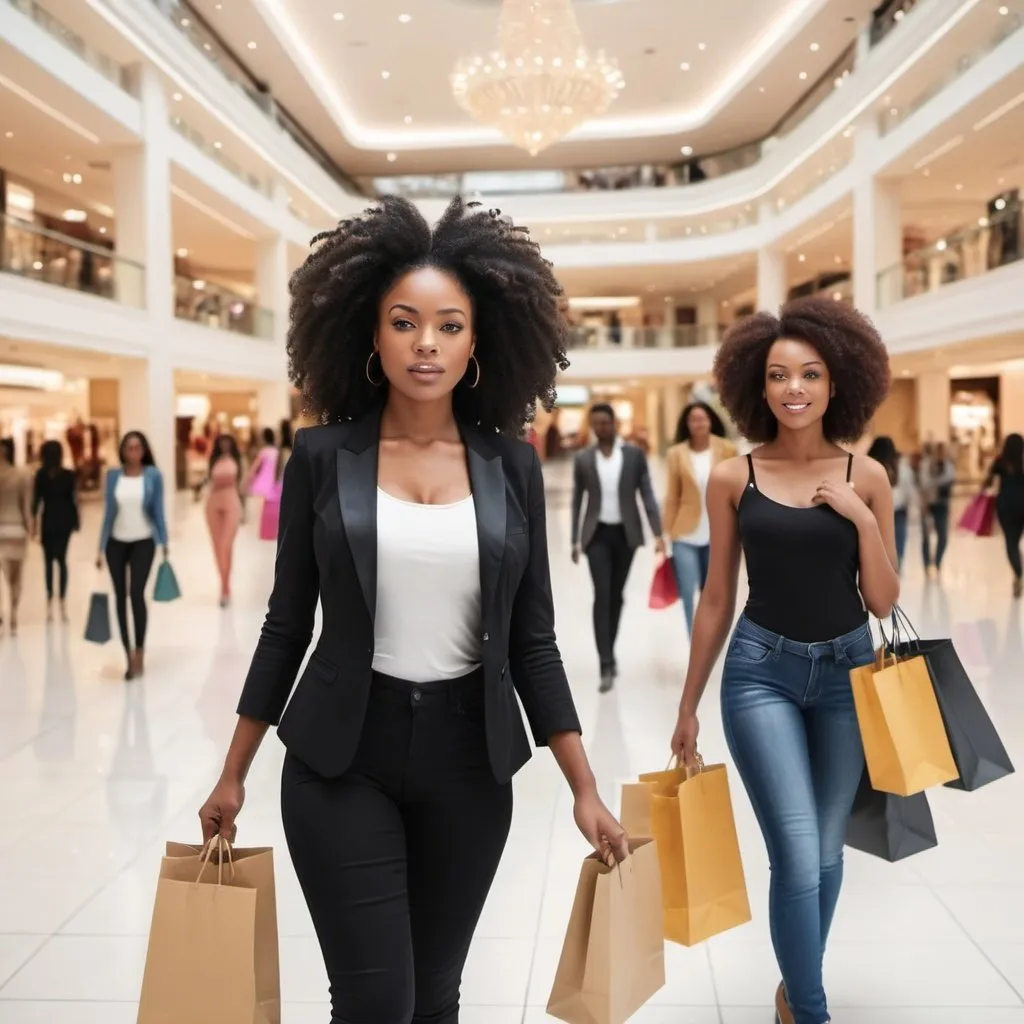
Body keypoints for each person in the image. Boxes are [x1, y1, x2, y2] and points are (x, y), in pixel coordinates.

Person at [197, 196, 628, 1024]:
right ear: (370, 333)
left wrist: (583, 787)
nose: (426, 343)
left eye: (449, 326)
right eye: (404, 322)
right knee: (376, 1000)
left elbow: (533, 642)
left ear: (478, 343)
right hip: (339, 758)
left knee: (434, 999)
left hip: (470, 761)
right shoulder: (324, 457)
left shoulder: (514, 468)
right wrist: (233, 770)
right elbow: (288, 625)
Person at [669, 297, 899, 1024]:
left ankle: (792, 995)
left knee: (828, 857)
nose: (793, 388)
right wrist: (686, 706)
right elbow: (713, 599)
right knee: (798, 855)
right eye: (778, 375)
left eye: (810, 373)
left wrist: (861, 517)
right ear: (757, 387)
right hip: (759, 673)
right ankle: (810, 1009)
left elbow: (884, 601)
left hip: (846, 674)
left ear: (838, 384)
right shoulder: (733, 477)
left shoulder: (868, 477)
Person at [571, 403, 664, 692]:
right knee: (603, 594)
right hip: (596, 535)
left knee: (617, 596)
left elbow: (646, 493)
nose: (601, 428)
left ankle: (609, 650)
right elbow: (577, 500)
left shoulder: (634, 455)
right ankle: (606, 663)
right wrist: (575, 538)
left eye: (605, 423)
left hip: (626, 535)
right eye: (595, 423)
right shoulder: (583, 459)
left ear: (614, 424)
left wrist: (658, 532)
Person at [97, 431, 169, 680]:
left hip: (143, 542)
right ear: (123, 451)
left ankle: (140, 651)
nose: (134, 452)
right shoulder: (113, 476)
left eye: (138, 447)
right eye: (129, 447)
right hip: (115, 543)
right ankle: (127, 653)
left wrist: (164, 540)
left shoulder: (153, 475)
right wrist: (100, 546)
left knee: (136, 594)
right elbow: (108, 512)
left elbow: (158, 509)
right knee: (119, 597)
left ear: (144, 450)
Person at [663, 401, 735, 635]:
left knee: (711, 592)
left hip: (717, 533)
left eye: (702, 418)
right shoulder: (676, 453)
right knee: (687, 590)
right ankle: (692, 637)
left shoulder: (726, 450)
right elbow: (672, 496)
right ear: (687, 423)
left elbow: (736, 491)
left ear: (710, 420)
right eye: (693, 419)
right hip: (684, 533)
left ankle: (709, 635)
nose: (698, 423)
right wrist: (665, 534)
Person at [32, 439, 79, 621]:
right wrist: (76, 521)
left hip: (49, 520)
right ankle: (62, 601)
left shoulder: (41, 475)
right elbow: (73, 499)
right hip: (64, 520)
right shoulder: (68, 475)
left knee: (48, 561)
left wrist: (33, 524)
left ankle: (50, 600)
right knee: (62, 560)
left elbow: (36, 501)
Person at [205, 434, 243, 606]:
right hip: (213, 504)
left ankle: (226, 586)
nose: (225, 446)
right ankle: (224, 588)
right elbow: (209, 481)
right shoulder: (213, 460)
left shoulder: (238, 460)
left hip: (232, 503)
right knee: (217, 547)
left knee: (226, 546)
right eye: (222, 443)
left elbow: (242, 482)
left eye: (228, 443)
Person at [984, 432, 1024, 597]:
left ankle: (1018, 574)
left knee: (1011, 542)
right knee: (1016, 540)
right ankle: (1019, 566)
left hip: (1006, 505)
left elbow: (987, 481)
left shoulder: (1001, 461)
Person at [866, 435, 914, 570]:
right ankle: (894, 570)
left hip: (874, 511)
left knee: (877, 545)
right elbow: (908, 489)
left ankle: (878, 571)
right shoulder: (901, 466)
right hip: (898, 511)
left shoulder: (869, 466)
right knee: (897, 544)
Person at [0, 438, 31, 636]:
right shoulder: (21, 476)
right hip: (16, 528)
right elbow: (26, 507)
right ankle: (13, 614)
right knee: (15, 577)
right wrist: (30, 530)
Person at [918, 441, 955, 577]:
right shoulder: (926, 465)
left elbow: (950, 481)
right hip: (928, 504)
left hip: (942, 505)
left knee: (943, 537)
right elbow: (924, 483)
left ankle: (937, 562)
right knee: (926, 537)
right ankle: (927, 565)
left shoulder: (949, 466)